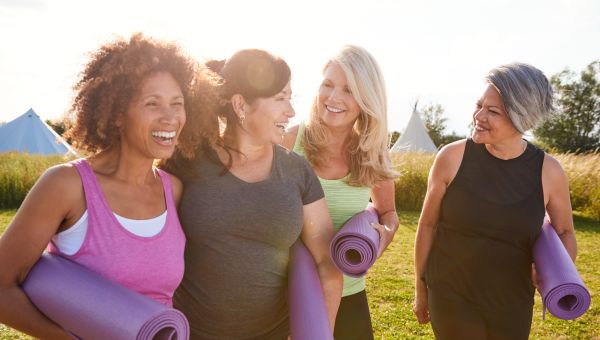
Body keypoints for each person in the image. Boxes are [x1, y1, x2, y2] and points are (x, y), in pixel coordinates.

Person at [0, 33, 215, 338]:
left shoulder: (175, 191)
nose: (170, 117)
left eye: (177, 104)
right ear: (117, 114)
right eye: (152, 103)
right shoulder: (66, 186)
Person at [164, 49, 343, 339]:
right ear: (240, 105)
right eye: (280, 99)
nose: (291, 111)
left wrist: (321, 333)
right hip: (191, 333)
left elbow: (327, 263)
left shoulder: (297, 171)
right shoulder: (187, 162)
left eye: (290, 98)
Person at [413, 62, 578, 339]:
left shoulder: (549, 171)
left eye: (492, 111)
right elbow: (427, 225)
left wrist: (554, 273)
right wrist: (420, 289)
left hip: (513, 301)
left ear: (521, 117)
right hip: (451, 293)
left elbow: (565, 232)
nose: (478, 115)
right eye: (479, 105)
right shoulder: (451, 158)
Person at [282, 45, 399, 340]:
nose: (333, 98)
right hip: (284, 297)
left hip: (348, 296)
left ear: (366, 99)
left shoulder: (372, 153)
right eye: (328, 85)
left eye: (348, 90)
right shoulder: (289, 141)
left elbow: (388, 213)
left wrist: (384, 234)